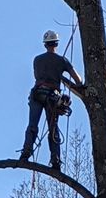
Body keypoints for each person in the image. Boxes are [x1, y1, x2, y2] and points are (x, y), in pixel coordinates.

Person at [19, 29, 82, 172]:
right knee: (53, 128)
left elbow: (37, 76)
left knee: (32, 125)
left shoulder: (37, 60)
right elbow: (78, 81)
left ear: (45, 44)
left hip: (37, 93)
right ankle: (55, 160)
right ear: (56, 43)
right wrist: (61, 72)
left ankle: (26, 152)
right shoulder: (62, 61)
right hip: (52, 97)